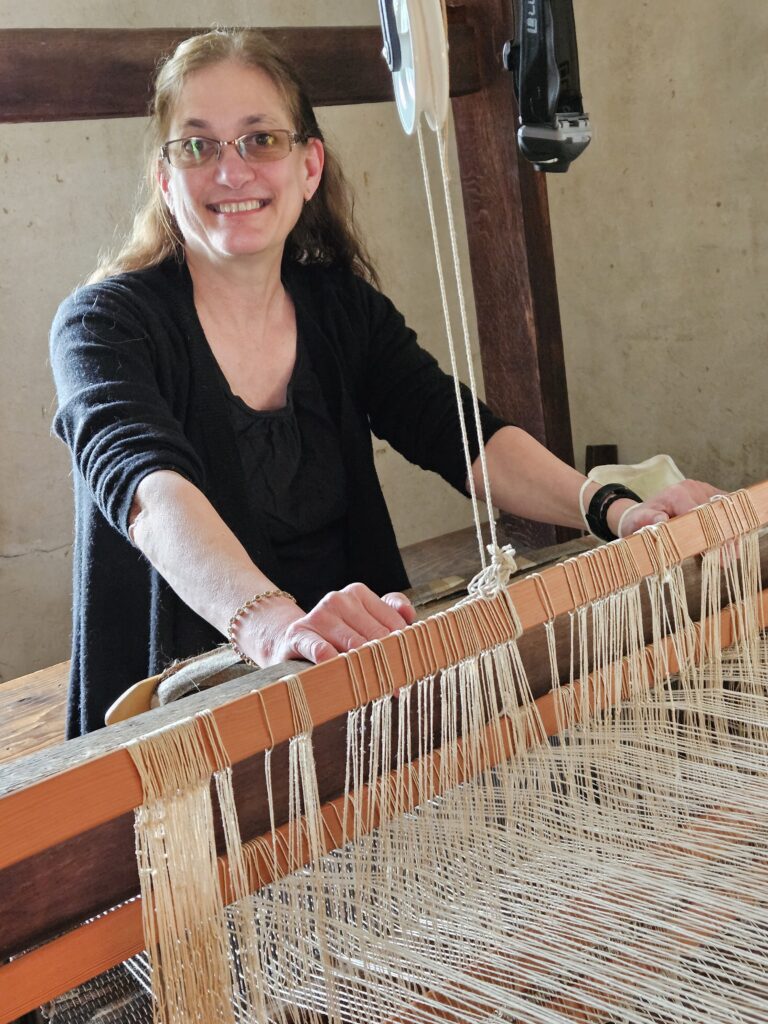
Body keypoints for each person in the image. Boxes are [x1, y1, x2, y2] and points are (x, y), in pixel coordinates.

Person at [50, 28, 718, 738]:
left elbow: (457, 431)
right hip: (177, 729)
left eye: (260, 140)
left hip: (357, 704)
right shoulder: (101, 324)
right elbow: (151, 495)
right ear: (165, 178)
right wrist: (277, 628)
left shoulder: (339, 308)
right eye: (198, 145)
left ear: (309, 167)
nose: (231, 170)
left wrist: (613, 510)